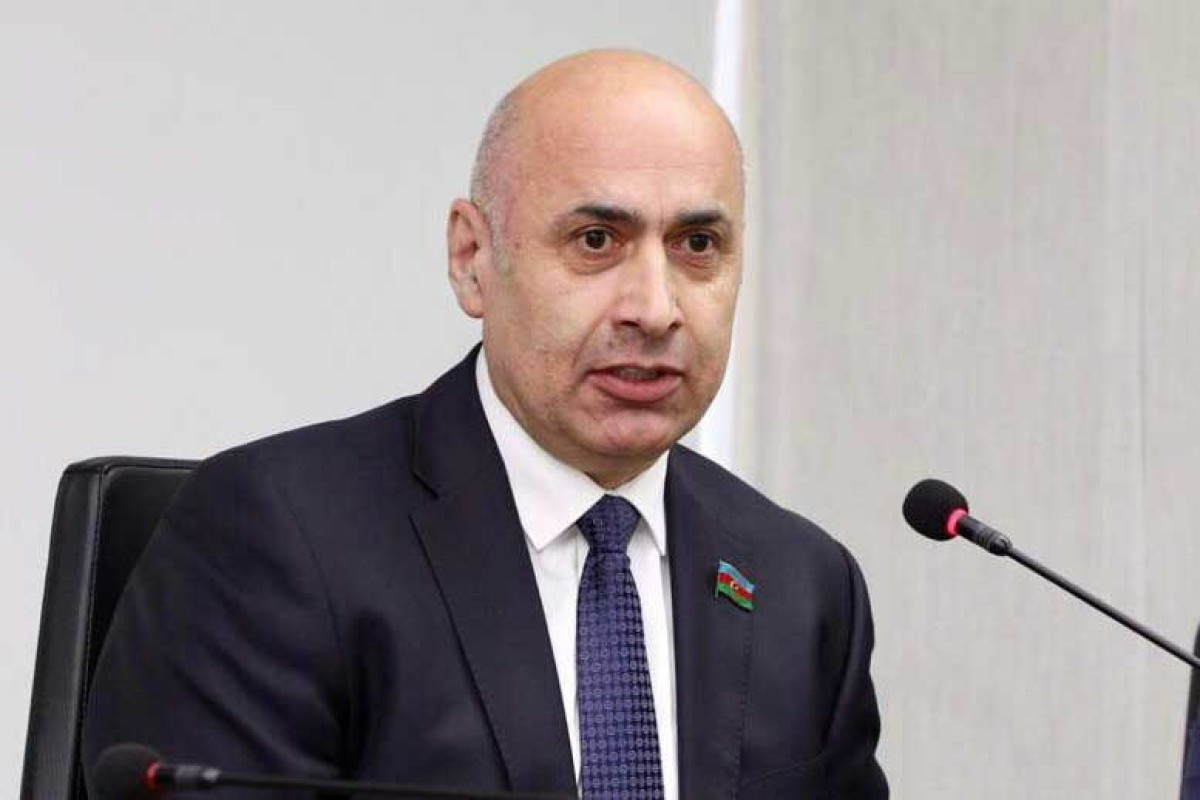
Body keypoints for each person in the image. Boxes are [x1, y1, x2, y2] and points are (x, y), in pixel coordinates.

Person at [84, 50, 888, 799]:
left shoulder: (802, 587)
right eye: (596, 240)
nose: (655, 308)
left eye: (698, 244)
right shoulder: (276, 538)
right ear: (472, 259)